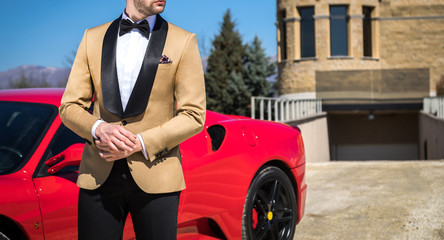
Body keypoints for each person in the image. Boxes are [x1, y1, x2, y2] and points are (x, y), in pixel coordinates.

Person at [59, 0, 206, 239]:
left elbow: (194, 115)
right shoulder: (91, 38)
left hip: (157, 175)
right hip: (98, 175)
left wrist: (139, 143)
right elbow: (69, 107)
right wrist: (98, 128)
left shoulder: (183, 40)